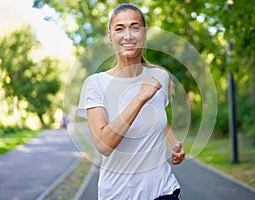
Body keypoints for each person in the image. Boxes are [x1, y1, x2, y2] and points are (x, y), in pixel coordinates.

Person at [76, 3, 185, 200]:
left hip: (164, 191)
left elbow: (156, 117)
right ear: (110, 36)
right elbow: (104, 144)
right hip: (119, 194)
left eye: (135, 27)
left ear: (144, 34)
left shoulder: (160, 76)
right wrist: (141, 97)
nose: (128, 36)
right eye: (120, 29)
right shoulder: (96, 84)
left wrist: (174, 144)